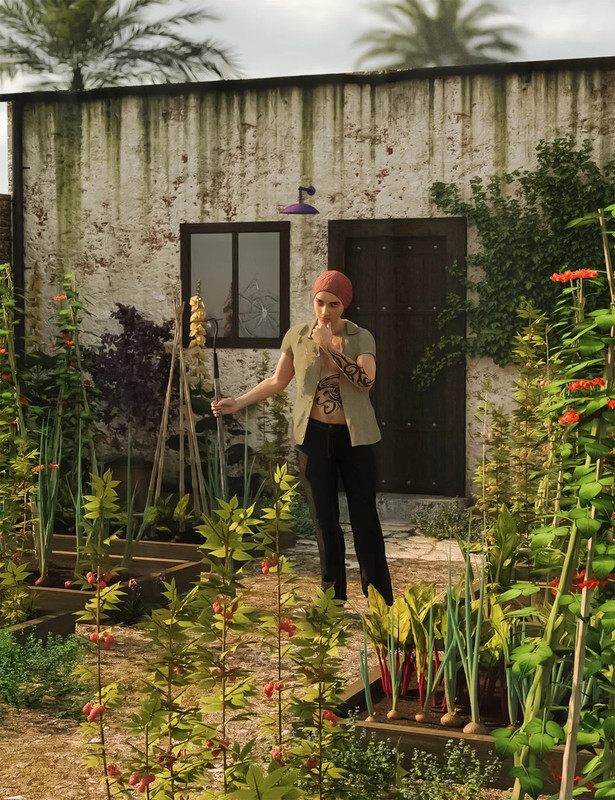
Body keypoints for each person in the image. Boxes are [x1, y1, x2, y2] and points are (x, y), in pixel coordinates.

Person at [212, 270, 393, 605]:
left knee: (364, 518)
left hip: (356, 439)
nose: (325, 310)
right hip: (312, 437)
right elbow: (277, 381)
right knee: (324, 521)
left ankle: (380, 599)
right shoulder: (297, 335)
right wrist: (237, 401)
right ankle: (332, 600)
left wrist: (331, 350)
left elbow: (365, 381)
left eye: (333, 304)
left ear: (345, 305)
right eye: (320, 302)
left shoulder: (360, 336)